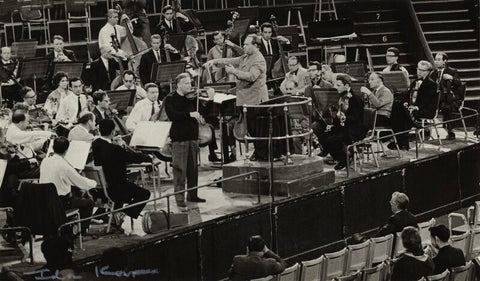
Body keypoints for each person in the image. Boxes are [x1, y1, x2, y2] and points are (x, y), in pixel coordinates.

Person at [204, 34, 268, 161]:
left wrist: (233, 72)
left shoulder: (258, 59)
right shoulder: (246, 56)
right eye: (243, 44)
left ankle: (261, 154)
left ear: (255, 46)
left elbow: (251, 76)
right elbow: (232, 61)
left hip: (254, 100)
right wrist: (214, 61)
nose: (243, 46)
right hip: (245, 99)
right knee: (251, 128)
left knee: (256, 129)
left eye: (246, 44)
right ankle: (259, 153)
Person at [92, 119, 151, 223]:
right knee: (145, 194)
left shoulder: (96, 144)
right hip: (116, 190)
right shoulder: (115, 149)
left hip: (101, 189)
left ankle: (111, 214)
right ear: (113, 132)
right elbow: (131, 157)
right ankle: (123, 213)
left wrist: (113, 142)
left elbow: (107, 148)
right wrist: (147, 157)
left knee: (126, 185)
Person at [164, 73, 206, 208]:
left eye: (190, 83)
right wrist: (190, 114)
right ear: (179, 85)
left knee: (193, 168)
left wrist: (208, 100)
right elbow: (173, 115)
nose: (190, 86)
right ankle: (180, 198)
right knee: (180, 169)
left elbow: (201, 111)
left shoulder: (193, 98)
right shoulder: (170, 99)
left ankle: (193, 195)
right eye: (187, 83)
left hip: (193, 136)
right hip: (179, 137)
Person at [39, 137, 96, 234]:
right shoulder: (64, 166)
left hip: (44, 201)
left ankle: (72, 224)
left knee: (74, 191)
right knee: (89, 203)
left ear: (52, 147)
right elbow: (82, 183)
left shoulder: (45, 161)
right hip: (60, 203)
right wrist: (93, 182)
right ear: (67, 150)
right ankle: (80, 231)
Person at [317, 74, 365, 170]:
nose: (335, 87)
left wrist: (344, 117)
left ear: (346, 86)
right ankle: (337, 156)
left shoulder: (355, 98)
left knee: (333, 139)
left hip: (353, 129)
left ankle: (344, 159)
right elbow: (339, 115)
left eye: (338, 85)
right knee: (323, 135)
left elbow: (356, 118)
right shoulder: (341, 97)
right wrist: (332, 125)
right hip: (344, 127)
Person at [430, 52, 462, 140]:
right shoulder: (433, 73)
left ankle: (451, 131)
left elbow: (459, 83)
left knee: (447, 107)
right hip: (435, 98)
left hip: (448, 99)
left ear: (445, 61)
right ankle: (426, 129)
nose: (436, 62)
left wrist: (451, 78)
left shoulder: (451, 71)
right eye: (435, 59)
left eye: (438, 60)